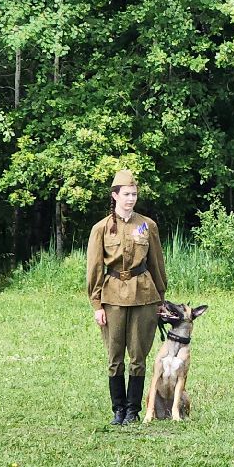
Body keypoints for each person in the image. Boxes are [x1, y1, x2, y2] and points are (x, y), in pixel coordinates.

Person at [86, 169, 168, 426]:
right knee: (114, 356)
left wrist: (161, 298)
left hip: (144, 296)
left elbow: (156, 263)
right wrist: (96, 304)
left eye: (134, 194)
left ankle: (133, 410)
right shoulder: (101, 228)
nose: (131, 199)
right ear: (115, 195)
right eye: (126, 194)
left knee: (139, 355)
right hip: (112, 297)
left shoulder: (146, 225)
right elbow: (95, 268)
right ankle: (118, 410)